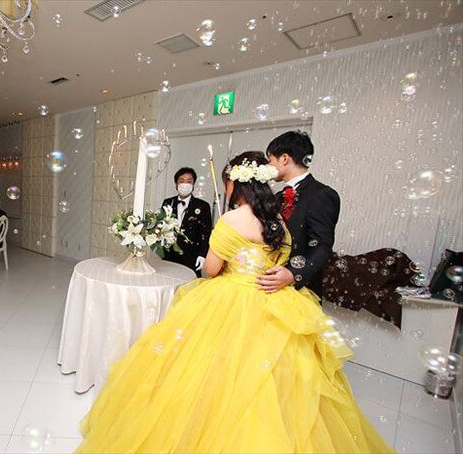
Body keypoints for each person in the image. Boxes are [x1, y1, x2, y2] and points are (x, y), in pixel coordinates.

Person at [75, 152, 392, 453]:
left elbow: (212, 269)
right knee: (274, 377)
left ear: (236, 183)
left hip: (231, 299)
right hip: (275, 300)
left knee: (205, 370)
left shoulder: (231, 219)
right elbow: (281, 260)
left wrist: (226, 259)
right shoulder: (278, 222)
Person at [256, 131, 340, 298]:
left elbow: (322, 245)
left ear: (284, 158)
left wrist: (293, 274)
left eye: (270, 160)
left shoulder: (322, 194)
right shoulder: (278, 197)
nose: (268, 165)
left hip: (300, 291)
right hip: (271, 286)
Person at [161, 167, 212, 277]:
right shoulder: (168, 202)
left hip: (191, 257)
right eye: (181, 181)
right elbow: (161, 226)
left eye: (189, 181)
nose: (185, 184)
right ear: (176, 184)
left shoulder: (203, 206)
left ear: (194, 184)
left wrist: (203, 255)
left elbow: (206, 233)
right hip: (170, 256)